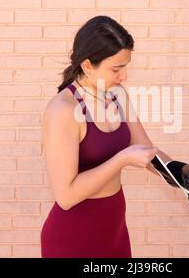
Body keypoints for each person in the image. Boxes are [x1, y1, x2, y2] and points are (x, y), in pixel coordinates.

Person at [41, 15, 173, 258]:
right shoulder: (63, 110)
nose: (123, 77)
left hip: (114, 231)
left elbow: (145, 149)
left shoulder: (117, 95)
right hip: (73, 239)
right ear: (88, 65)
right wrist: (121, 160)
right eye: (116, 68)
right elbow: (66, 196)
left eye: (126, 67)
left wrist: (182, 174)